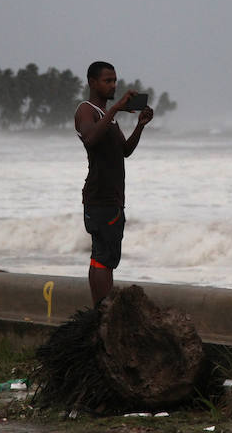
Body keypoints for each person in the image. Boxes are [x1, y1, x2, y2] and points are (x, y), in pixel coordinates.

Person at [74, 61, 154, 304]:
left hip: (112, 198)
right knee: (103, 259)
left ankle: (100, 313)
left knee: (101, 257)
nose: (113, 85)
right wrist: (115, 109)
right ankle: (103, 313)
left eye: (114, 80)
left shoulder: (109, 119)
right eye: (107, 80)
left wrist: (140, 125)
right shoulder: (86, 110)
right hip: (100, 197)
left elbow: (125, 151)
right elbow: (89, 138)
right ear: (92, 82)